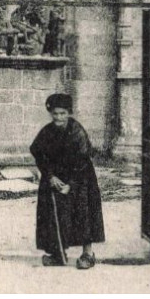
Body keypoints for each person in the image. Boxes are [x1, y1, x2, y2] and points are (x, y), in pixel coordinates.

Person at [30, 93, 105, 269]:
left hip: (80, 177)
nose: (59, 118)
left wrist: (71, 184)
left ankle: (88, 254)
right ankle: (58, 253)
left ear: (69, 113)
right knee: (53, 213)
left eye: (63, 114)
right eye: (56, 114)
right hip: (55, 177)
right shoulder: (47, 131)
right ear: (51, 113)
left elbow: (83, 159)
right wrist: (49, 176)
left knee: (82, 213)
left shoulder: (77, 132)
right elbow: (37, 152)